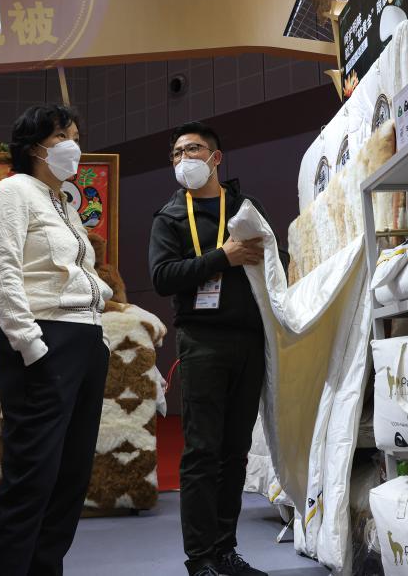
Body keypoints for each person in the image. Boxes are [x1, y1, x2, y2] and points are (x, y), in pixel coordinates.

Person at [0, 105, 113, 576]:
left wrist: (98, 340)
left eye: (76, 135)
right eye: (62, 137)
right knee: (31, 476)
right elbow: (2, 268)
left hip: (85, 341)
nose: (73, 145)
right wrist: (29, 342)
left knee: (71, 477)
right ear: (35, 147)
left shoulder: (65, 204)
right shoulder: (14, 190)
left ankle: (44, 569)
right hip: (46, 338)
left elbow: (81, 273)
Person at [149, 121, 278, 576]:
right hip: (202, 341)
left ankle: (226, 550)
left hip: (249, 339)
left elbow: (273, 262)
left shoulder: (245, 207)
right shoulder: (169, 216)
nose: (184, 159)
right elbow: (162, 277)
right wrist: (222, 257)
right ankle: (200, 558)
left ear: (215, 158)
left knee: (235, 451)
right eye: (177, 153)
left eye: (194, 150)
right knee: (202, 452)